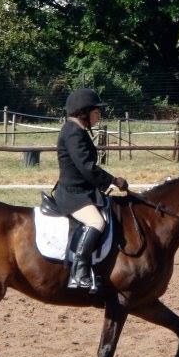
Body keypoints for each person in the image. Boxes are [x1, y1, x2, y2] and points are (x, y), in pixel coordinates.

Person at [54, 89, 128, 292]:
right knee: (97, 222)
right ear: (84, 113)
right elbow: (86, 167)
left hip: (83, 191)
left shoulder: (77, 130)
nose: (98, 116)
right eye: (96, 112)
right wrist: (113, 180)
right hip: (73, 194)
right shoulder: (73, 132)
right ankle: (79, 272)